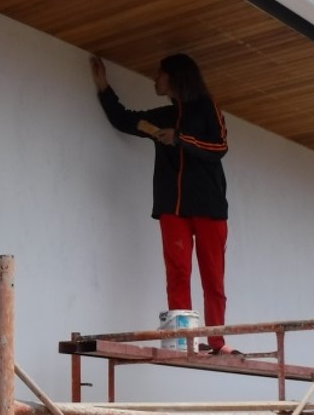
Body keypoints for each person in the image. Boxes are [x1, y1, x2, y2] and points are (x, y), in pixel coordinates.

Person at [90, 53, 236, 354]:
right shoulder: (162, 117)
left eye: (159, 74)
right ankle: (184, 340)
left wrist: (181, 139)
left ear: (175, 77)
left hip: (209, 207)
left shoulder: (207, 106)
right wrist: (103, 86)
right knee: (177, 272)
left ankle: (217, 342)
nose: (154, 79)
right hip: (172, 208)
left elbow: (220, 146)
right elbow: (124, 119)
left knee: (213, 278)